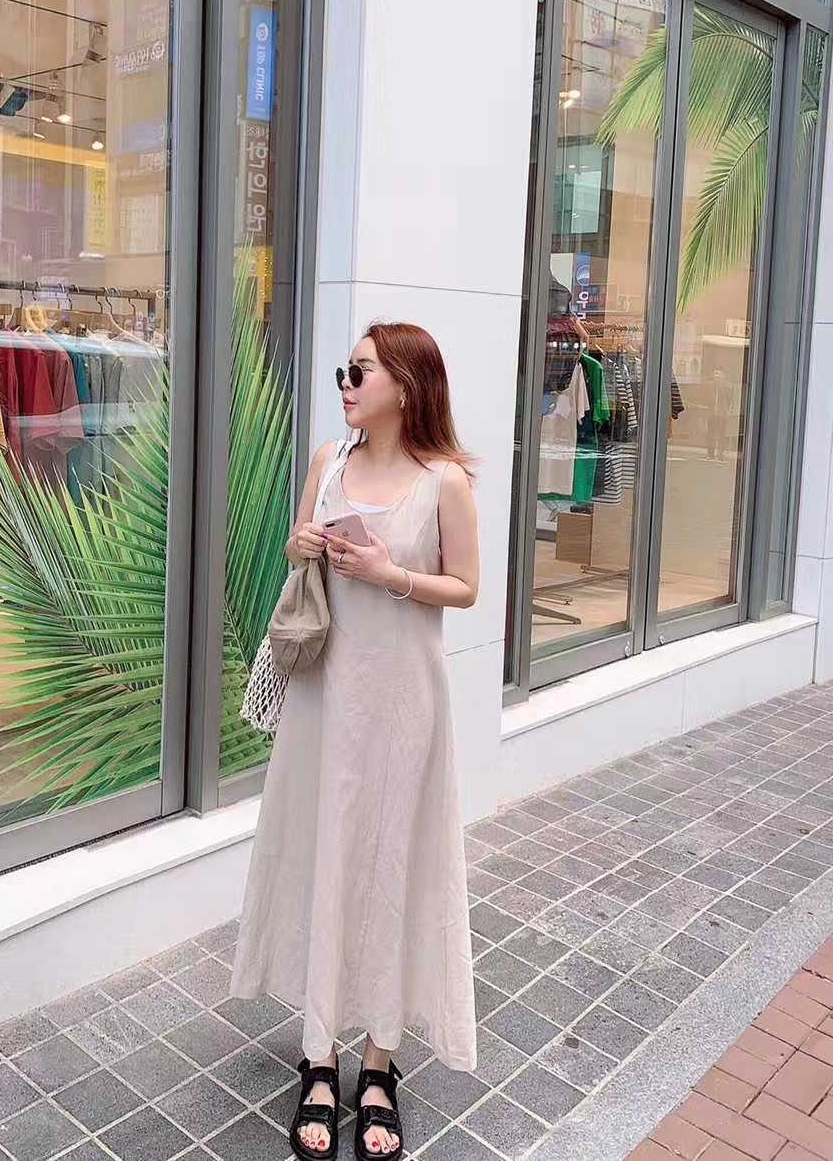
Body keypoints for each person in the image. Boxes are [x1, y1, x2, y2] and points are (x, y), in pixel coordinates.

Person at [230, 321, 480, 1160]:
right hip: (324, 696)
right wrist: (301, 543)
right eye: (345, 369)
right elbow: (298, 552)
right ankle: (319, 1057)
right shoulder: (327, 461)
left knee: (393, 862)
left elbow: (468, 588)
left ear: (405, 385)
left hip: (404, 703)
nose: (345, 382)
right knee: (323, 855)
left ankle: (379, 1064)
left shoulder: (444, 482)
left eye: (360, 371)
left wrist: (389, 574)